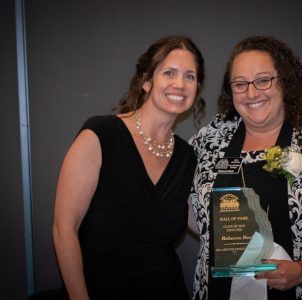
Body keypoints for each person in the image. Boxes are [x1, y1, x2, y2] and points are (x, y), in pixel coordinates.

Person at [188, 36, 302, 300]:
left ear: (285, 83)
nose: (252, 93)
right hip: (223, 291)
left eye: (263, 80)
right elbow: (194, 213)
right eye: (240, 84)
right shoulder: (208, 142)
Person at [52, 35, 205, 299]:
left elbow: (199, 220)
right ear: (147, 81)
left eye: (190, 76)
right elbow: (64, 229)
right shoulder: (100, 135)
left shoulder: (186, 156)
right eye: (169, 72)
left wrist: (246, 232)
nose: (180, 84)